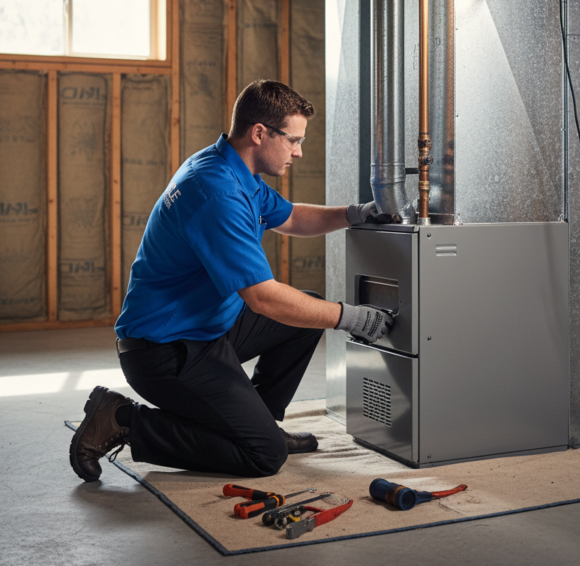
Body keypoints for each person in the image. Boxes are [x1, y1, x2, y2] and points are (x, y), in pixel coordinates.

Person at [69, 79, 395, 482]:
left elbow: (292, 217)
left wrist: (354, 213)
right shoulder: (216, 192)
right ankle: (122, 420)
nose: (298, 151)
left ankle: (257, 420)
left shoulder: (233, 169)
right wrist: (353, 318)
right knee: (264, 455)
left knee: (306, 313)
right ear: (259, 133)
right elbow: (263, 299)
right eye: (293, 140)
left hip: (208, 328)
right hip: (164, 352)